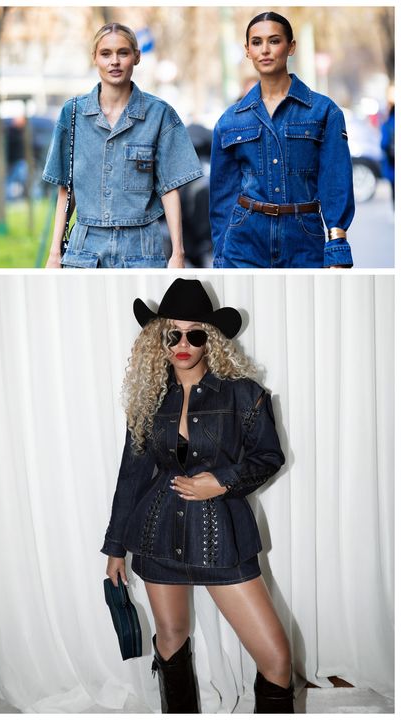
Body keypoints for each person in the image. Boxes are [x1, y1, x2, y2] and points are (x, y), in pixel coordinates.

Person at [102, 278, 292, 713]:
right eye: (174, 334)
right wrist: (115, 549)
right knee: (170, 640)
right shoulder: (150, 400)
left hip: (222, 537)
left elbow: (269, 456)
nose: (183, 343)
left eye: (196, 334)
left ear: (211, 341)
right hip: (156, 534)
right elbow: (130, 477)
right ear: (159, 340)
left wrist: (222, 481)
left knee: (277, 658)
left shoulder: (243, 394)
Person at [43, 23, 202, 269]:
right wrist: (54, 253)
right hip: (84, 249)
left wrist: (178, 255)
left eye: (123, 53)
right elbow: (67, 189)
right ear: (94, 58)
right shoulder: (71, 114)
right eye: (106, 53)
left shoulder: (160, 115)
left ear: (136, 57)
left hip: (141, 248)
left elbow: (170, 189)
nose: (114, 61)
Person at [210, 12, 354, 268]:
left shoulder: (324, 111)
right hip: (245, 239)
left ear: (291, 47)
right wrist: (220, 255)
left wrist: (337, 250)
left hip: (303, 237)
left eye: (274, 41)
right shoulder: (230, 120)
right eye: (256, 42)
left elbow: (335, 183)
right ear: (247, 50)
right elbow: (222, 197)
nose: (265, 50)